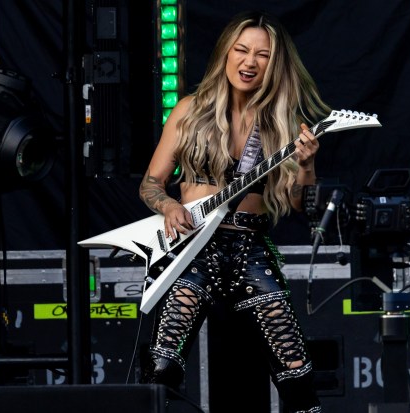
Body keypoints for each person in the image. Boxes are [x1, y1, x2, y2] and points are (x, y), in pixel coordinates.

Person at [138, 10, 331, 413]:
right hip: (192, 249)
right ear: (226, 54)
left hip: (251, 248)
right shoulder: (190, 110)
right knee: (160, 369)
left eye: (262, 55)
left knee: (297, 375)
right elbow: (150, 184)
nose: (249, 62)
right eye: (242, 50)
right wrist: (171, 205)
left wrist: (308, 165)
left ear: (273, 63)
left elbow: (300, 206)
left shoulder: (282, 122)